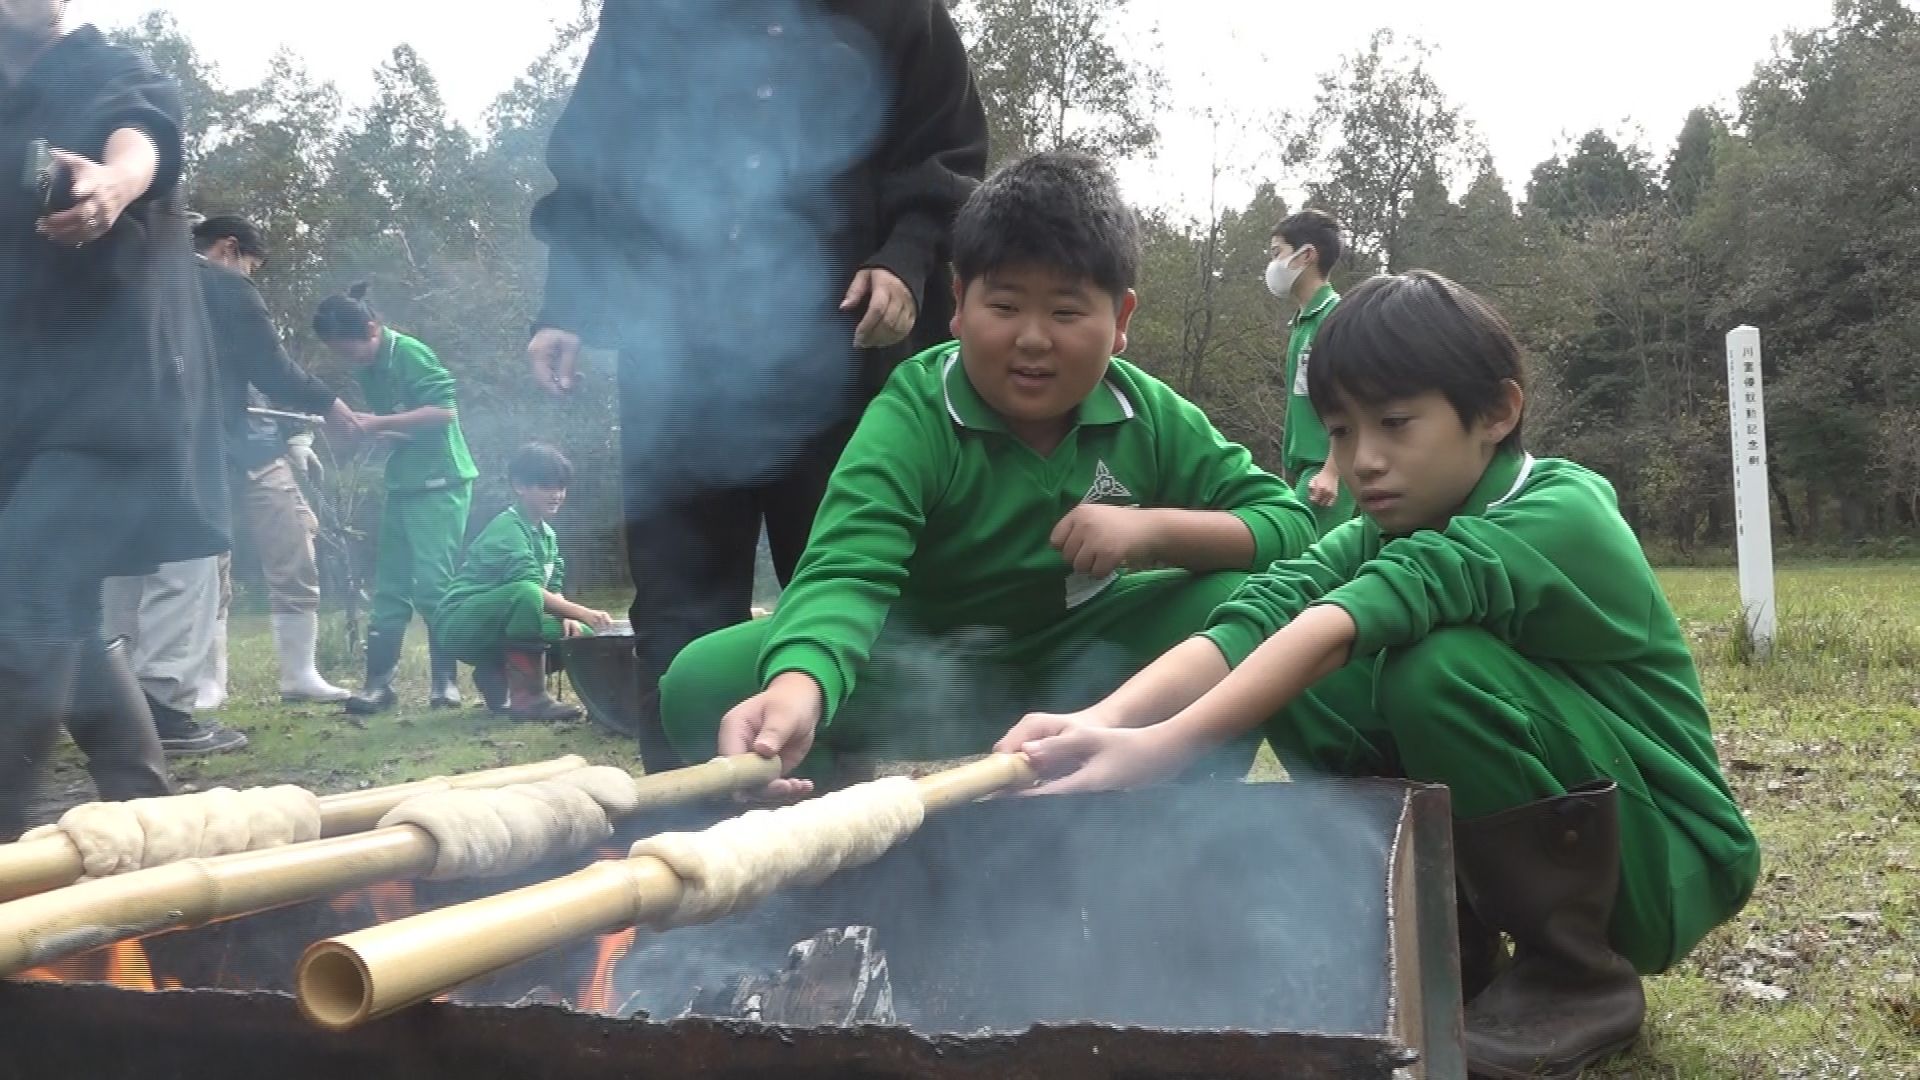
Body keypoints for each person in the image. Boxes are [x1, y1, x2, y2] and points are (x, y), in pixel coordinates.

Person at [995, 271, 1761, 1079]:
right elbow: (1263, 612)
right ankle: (1437, 937)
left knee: (1436, 670)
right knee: (1290, 664)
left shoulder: (1559, 510)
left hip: (1667, 856)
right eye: (1340, 431)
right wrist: (1105, 722)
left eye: (1395, 424)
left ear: (1496, 413)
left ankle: (1575, 976)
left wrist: (1167, 747)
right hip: (1585, 837)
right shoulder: (1384, 524)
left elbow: (1340, 623)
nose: (1364, 461)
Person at [661, 151, 1321, 799]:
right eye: (1004, 307)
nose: (1032, 339)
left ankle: (1176, 816)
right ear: (958, 303)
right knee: (700, 681)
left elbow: (1291, 524)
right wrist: (799, 685)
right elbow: (846, 570)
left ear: (1119, 320)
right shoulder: (915, 410)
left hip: (1089, 667)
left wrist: (1152, 532)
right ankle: (832, 815)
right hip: (915, 669)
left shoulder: (1145, 414)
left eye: (1065, 313)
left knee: (1243, 604)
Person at [526, 0, 989, 768]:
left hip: (846, 354)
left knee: (835, 586)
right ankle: (682, 835)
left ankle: (832, 843)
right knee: (677, 604)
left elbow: (945, 152)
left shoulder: (898, 9)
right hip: (676, 360)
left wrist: (905, 257)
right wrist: (565, 301)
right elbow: (597, 153)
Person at [0, 0, 227, 834]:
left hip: (115, 401)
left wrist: (110, 183)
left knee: (21, 595)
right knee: (67, 610)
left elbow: (142, 137)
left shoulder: (113, 72)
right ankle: (148, 816)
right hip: (21, 411)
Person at [191, 214, 360, 705]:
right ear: (228, 248)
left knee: (294, 551)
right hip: (210, 450)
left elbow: (264, 377)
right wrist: (330, 402)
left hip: (262, 449)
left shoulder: (232, 295)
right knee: (209, 567)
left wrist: (299, 441)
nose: (250, 275)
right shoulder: (188, 289)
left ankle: (299, 674)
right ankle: (208, 681)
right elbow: (274, 367)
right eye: (251, 263)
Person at [311, 285, 476, 715]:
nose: (349, 360)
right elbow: (404, 428)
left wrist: (376, 422)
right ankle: (379, 684)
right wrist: (364, 429)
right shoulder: (370, 366)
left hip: (442, 481)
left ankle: (445, 681)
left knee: (434, 584)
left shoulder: (410, 353)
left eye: (350, 349)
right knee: (390, 584)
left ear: (371, 328)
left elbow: (444, 413)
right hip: (404, 482)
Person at [435, 443, 615, 722]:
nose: (556, 494)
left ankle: (494, 674)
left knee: (579, 635)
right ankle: (530, 699)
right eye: (545, 486)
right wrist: (584, 612)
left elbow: (551, 584)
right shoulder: (507, 529)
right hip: (462, 624)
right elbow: (529, 589)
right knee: (528, 593)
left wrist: (569, 616)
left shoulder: (547, 535)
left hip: (507, 619)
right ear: (520, 486)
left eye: (561, 486)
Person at [1266, 209, 1355, 535]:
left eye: (1278, 253)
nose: (1272, 264)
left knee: (1303, 568)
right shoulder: (1303, 323)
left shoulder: (1336, 319)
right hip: (1307, 467)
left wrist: (1333, 470)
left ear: (1306, 256)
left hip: (1328, 470)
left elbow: (1351, 399)